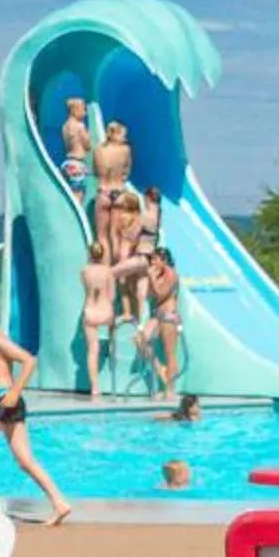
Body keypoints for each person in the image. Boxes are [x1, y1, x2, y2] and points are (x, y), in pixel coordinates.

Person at [0, 301, 72, 525]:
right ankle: (60, 503)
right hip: (6, 401)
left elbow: (29, 361)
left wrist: (14, 391)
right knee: (25, 460)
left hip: (4, 401)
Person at [136, 249, 183, 395]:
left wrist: (151, 277)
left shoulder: (171, 274)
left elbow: (161, 294)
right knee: (140, 339)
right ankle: (160, 369)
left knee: (170, 353)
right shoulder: (158, 275)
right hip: (157, 315)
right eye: (152, 259)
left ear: (164, 261)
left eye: (156, 259)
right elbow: (150, 295)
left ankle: (170, 389)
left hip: (169, 316)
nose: (152, 263)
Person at [92, 120, 134, 260]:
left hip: (104, 192)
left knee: (102, 236)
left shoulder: (99, 150)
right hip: (119, 192)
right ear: (116, 134)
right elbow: (127, 172)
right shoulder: (125, 150)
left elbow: (96, 172)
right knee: (115, 235)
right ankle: (118, 266)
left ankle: (105, 265)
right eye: (123, 135)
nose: (125, 138)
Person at [79, 254, 119, 398]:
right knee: (113, 324)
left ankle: (95, 388)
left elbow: (86, 289)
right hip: (105, 312)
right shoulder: (108, 271)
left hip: (90, 311)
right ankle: (112, 344)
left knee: (92, 350)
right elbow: (112, 296)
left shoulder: (84, 271)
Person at [59, 97, 92, 184]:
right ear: (74, 110)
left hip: (68, 162)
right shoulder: (80, 126)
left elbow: (67, 145)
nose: (85, 113)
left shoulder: (65, 126)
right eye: (83, 110)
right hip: (78, 163)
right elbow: (88, 146)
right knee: (79, 190)